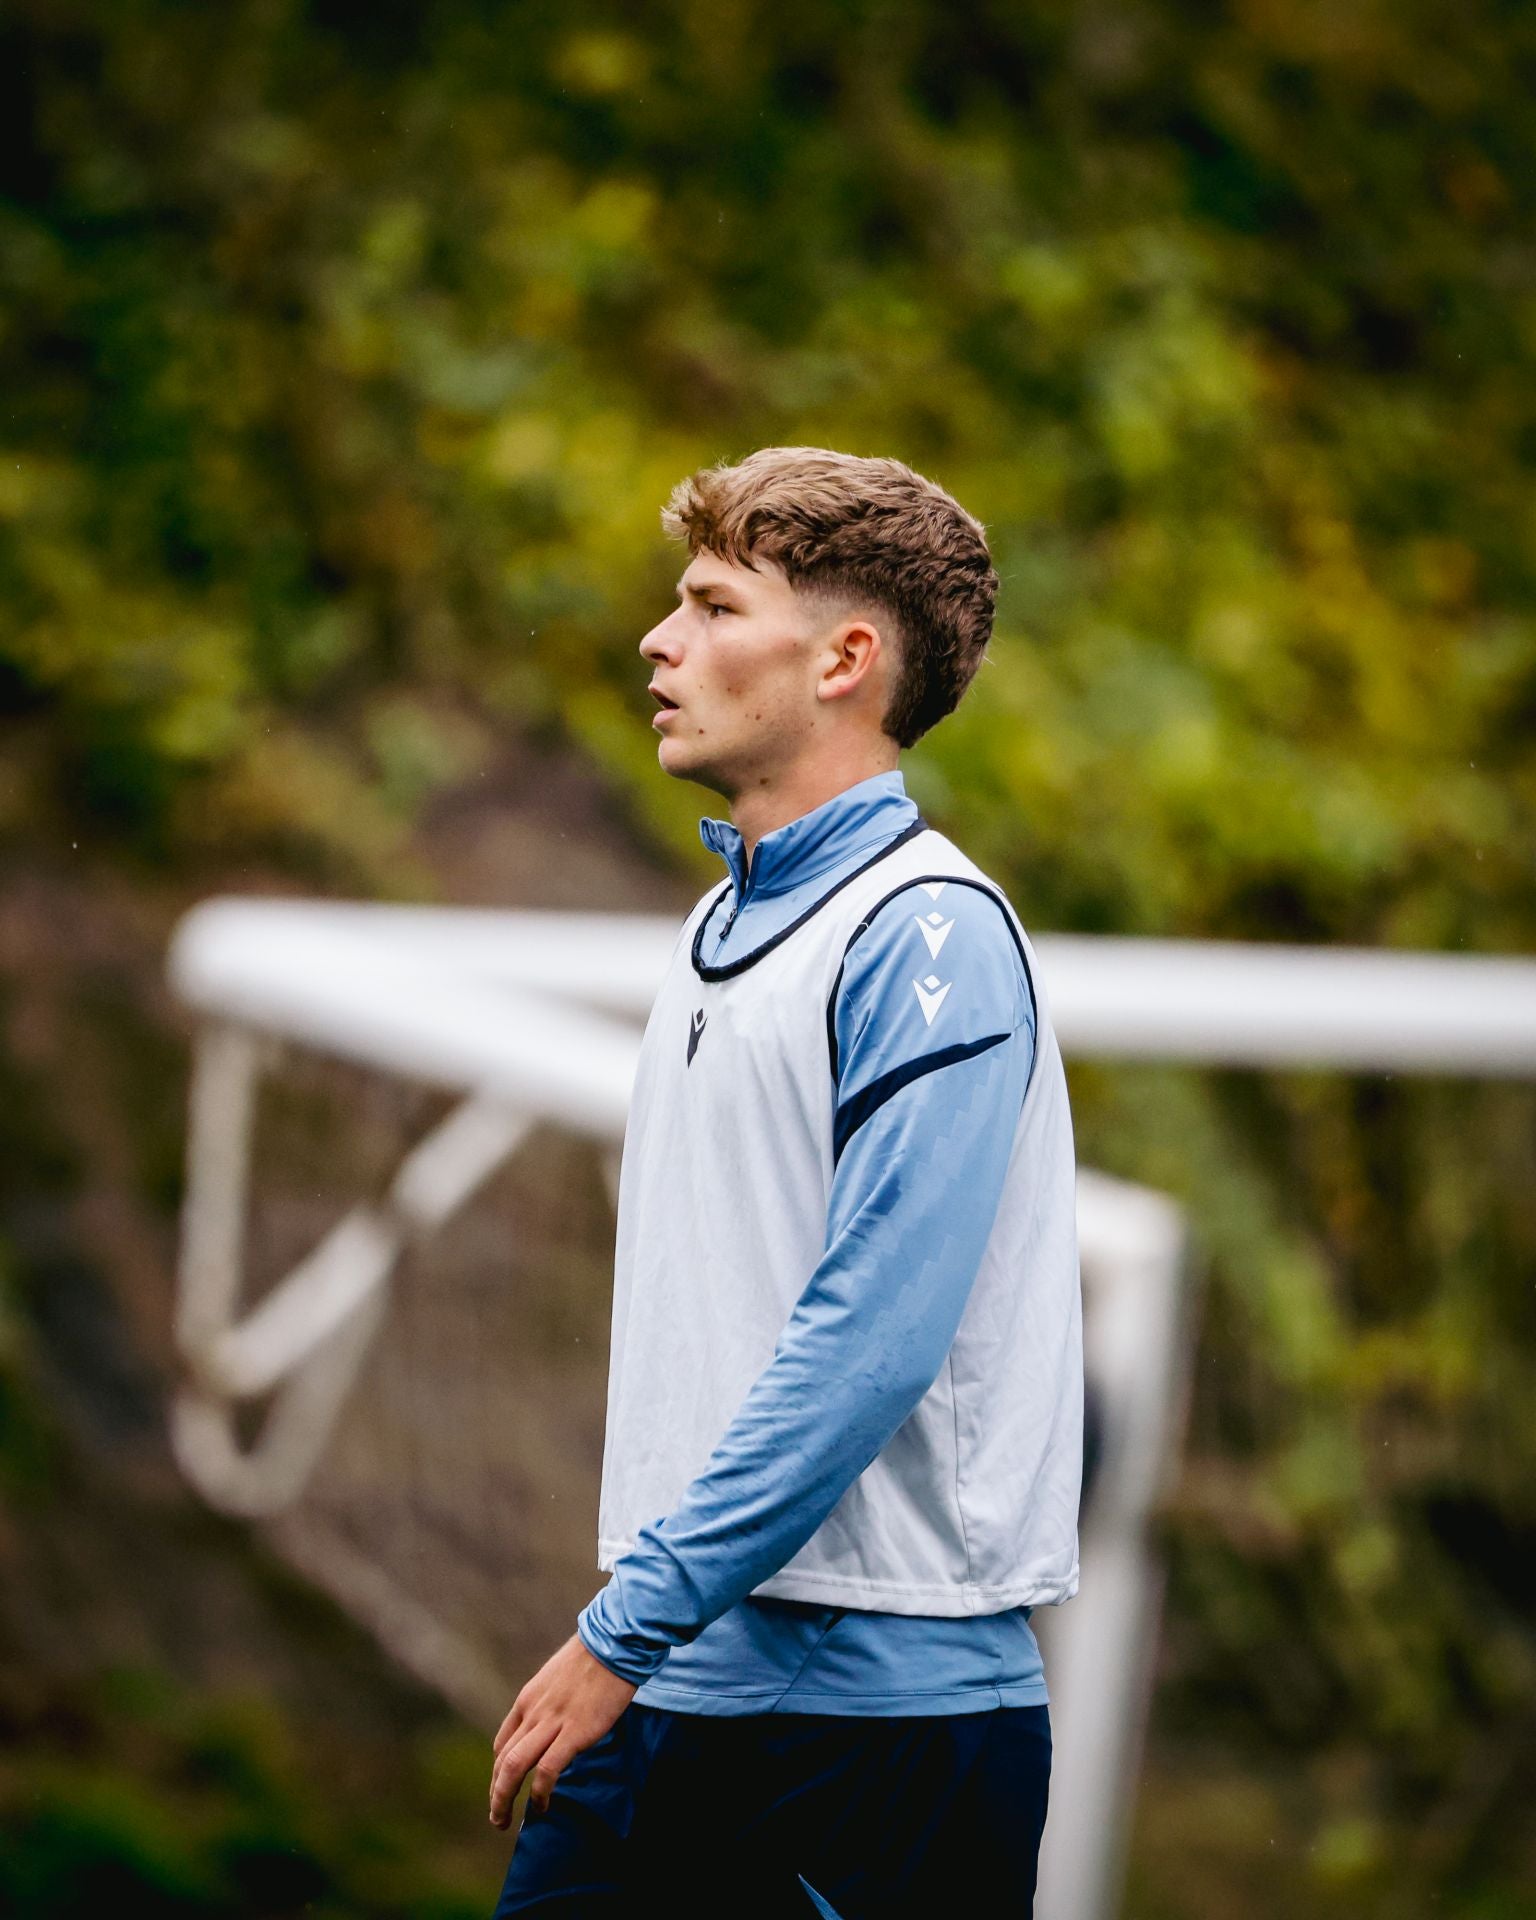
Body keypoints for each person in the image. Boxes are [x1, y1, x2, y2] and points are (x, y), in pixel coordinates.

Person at [488, 447, 1082, 1918]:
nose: (658, 640)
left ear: (845, 659)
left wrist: (624, 1631)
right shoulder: (713, 928)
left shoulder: (927, 931)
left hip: (873, 1731)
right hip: (675, 1682)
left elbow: (870, 1341)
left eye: (710, 604)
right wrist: (646, 1637)